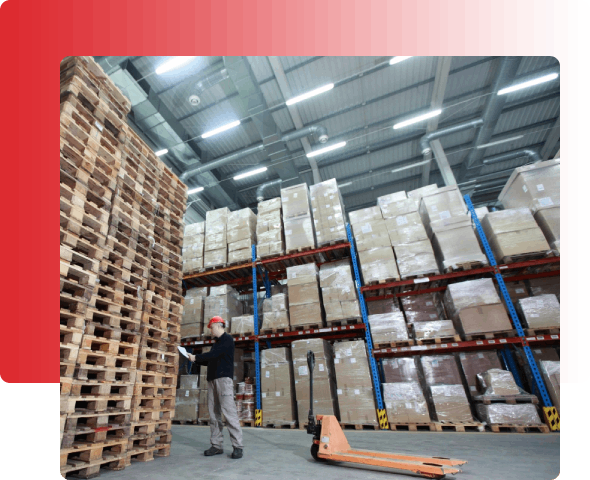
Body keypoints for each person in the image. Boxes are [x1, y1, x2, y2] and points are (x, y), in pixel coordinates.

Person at [188, 316, 244, 459]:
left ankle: (237, 446)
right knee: (214, 415)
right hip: (212, 381)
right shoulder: (217, 343)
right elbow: (211, 360)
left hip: (223, 381)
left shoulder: (227, 340)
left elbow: (213, 355)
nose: (211, 331)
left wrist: (196, 357)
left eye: (211, 327)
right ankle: (216, 445)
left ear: (218, 325)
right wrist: (195, 360)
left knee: (229, 413)